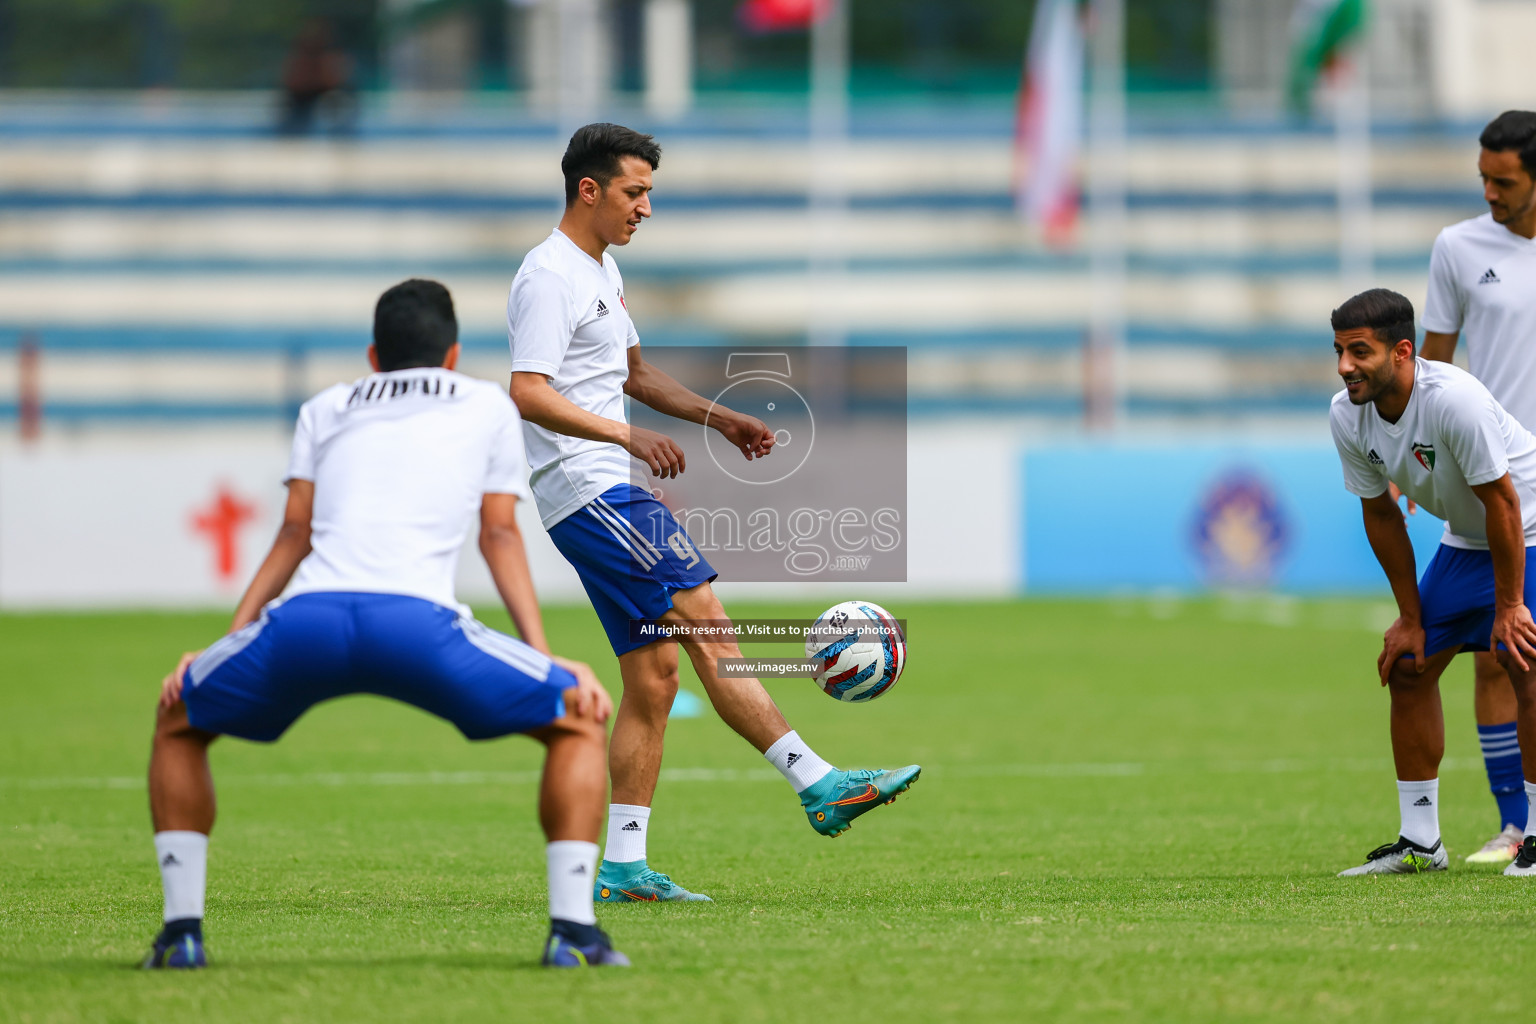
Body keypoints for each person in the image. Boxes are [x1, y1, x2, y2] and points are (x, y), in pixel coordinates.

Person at [143, 279, 629, 969]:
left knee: (179, 717)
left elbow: (293, 534)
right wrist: (548, 661)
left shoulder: (325, 406)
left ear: (374, 355)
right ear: (452, 354)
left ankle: (181, 935)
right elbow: (498, 536)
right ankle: (574, 934)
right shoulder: (487, 402)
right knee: (577, 719)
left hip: (305, 622)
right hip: (415, 625)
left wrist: (222, 647)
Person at [505, 123, 920, 903]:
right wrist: (629, 437)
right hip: (592, 488)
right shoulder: (548, 276)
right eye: (635, 192)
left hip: (600, 485)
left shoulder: (600, 269)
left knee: (656, 677)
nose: (647, 208)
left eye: (649, 193)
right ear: (589, 190)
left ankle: (624, 868)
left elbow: (630, 372)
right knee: (708, 623)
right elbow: (528, 390)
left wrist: (718, 417)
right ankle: (818, 782)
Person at [1327, 288, 1536, 878]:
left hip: (1529, 530)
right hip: (1467, 541)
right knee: (1409, 664)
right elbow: (1380, 513)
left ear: (1401, 352)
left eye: (1358, 352)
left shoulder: (1455, 401)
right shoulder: (1346, 412)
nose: (1345, 367)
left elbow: (1503, 501)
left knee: (1525, 660)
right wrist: (1410, 618)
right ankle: (1421, 841)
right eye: (1339, 351)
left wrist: (1511, 604)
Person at [1420, 110, 1536, 865]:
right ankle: (1514, 824)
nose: (1491, 193)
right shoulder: (1459, 248)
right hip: (1497, 475)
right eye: (1483, 179)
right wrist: (1417, 458)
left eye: (1506, 181)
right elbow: (1430, 362)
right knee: (1503, 650)